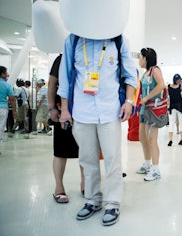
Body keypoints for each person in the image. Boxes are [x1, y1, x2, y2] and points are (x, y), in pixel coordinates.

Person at [58, 34, 137, 226]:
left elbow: (130, 74)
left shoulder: (117, 40)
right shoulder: (73, 40)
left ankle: (112, 202)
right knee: (87, 159)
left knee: (112, 159)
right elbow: (65, 76)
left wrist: (128, 101)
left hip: (110, 110)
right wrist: (65, 109)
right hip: (82, 111)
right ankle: (93, 199)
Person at [48, 54, 84, 204]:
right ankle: (59, 188)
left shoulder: (87, 54)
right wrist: (52, 108)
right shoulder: (62, 58)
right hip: (63, 111)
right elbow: (52, 83)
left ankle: (85, 184)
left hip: (83, 112)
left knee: (85, 150)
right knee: (60, 151)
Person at [136, 48, 166, 181]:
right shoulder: (145, 73)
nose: (139, 60)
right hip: (144, 110)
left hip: (153, 110)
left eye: (140, 57)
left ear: (146, 58)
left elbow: (161, 85)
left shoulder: (155, 70)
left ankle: (156, 169)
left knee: (152, 139)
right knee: (143, 138)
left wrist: (147, 98)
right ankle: (147, 164)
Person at [167, 74, 182, 146]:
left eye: (179, 79)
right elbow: (166, 95)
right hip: (172, 106)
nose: (178, 81)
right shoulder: (168, 86)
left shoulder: (180, 86)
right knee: (171, 123)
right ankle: (170, 140)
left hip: (179, 105)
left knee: (181, 122)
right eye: (177, 79)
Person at [0, 66, 16, 153]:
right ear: (2, 74)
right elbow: (12, 99)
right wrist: (14, 110)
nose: (7, 74)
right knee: (0, 127)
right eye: (6, 72)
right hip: (2, 108)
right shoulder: (7, 85)